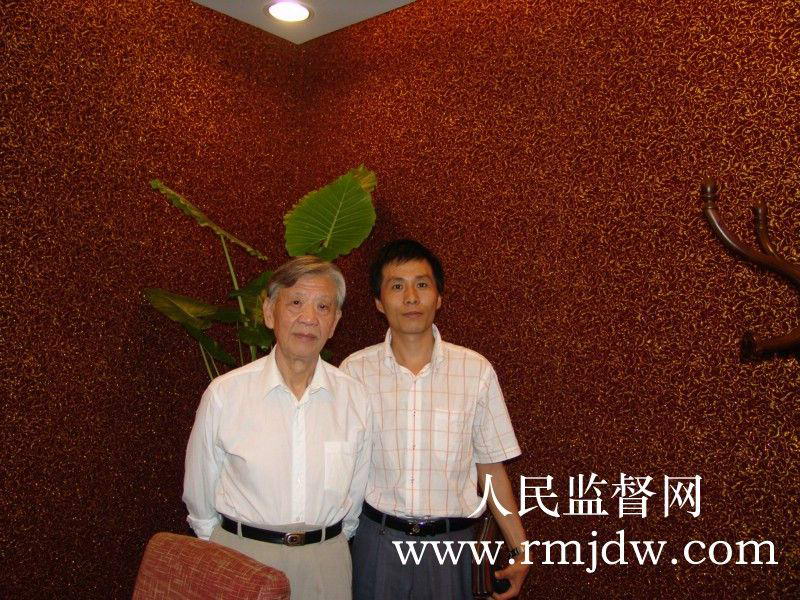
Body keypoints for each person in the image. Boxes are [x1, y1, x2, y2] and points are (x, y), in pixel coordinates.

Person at [341, 239, 530, 600]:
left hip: (451, 547)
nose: (411, 297)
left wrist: (520, 547)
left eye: (422, 284)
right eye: (397, 286)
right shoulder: (354, 372)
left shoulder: (475, 371)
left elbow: (491, 468)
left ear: (439, 297)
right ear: (379, 302)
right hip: (377, 543)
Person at [183, 256, 372, 600]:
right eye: (296, 302)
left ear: (334, 323)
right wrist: (227, 552)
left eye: (323, 306)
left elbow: (355, 496)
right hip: (241, 559)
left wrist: (326, 547)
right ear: (270, 312)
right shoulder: (225, 394)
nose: (309, 318)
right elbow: (199, 497)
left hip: (325, 564)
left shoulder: (355, 398)